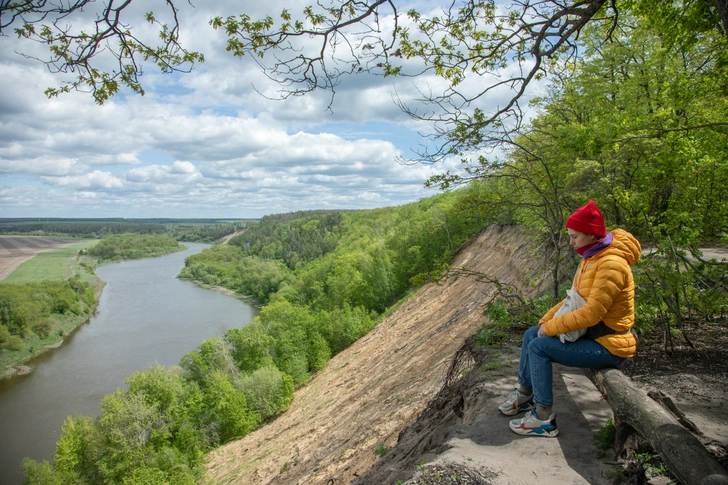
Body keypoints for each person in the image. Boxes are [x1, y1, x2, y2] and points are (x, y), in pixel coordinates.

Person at [499, 200, 641, 437]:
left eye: (575, 236)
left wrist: (552, 329)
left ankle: (543, 418)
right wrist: (545, 322)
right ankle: (525, 394)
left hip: (610, 346)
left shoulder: (611, 265)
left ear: (591, 234)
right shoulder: (593, 257)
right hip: (594, 336)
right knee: (531, 334)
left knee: (540, 347)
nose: (571, 242)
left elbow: (591, 313)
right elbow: (575, 298)